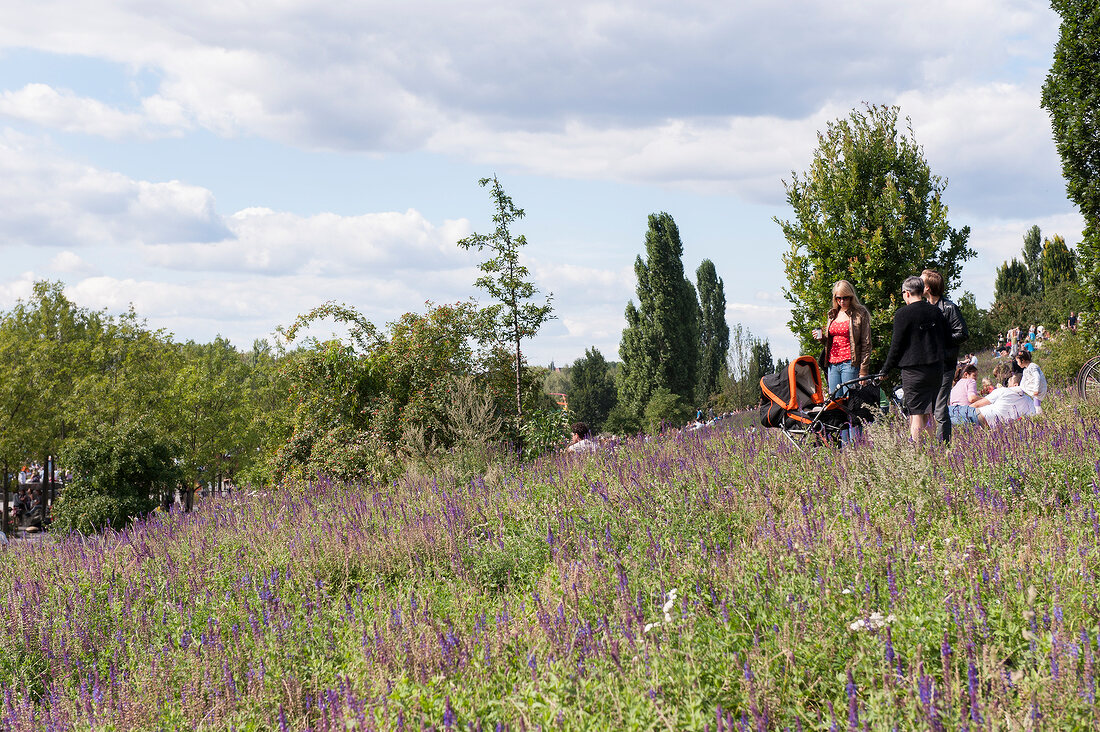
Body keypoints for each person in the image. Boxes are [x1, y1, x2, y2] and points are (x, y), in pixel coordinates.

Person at [881, 276, 950, 442]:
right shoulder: (936, 311)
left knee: (916, 414)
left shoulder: (902, 314)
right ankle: (932, 451)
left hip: (914, 370)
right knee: (928, 413)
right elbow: (947, 338)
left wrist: (885, 369)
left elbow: (896, 346)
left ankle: (918, 453)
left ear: (906, 293)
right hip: (935, 369)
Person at [922, 270, 968, 445]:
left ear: (927, 287)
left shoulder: (949, 307)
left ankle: (944, 447)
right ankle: (926, 445)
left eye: (921, 281)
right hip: (926, 366)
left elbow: (963, 333)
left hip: (944, 366)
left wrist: (941, 339)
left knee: (940, 409)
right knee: (924, 408)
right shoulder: (923, 308)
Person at [813, 280, 873, 395]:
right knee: (834, 402)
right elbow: (830, 341)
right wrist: (821, 338)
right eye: (838, 298)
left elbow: (866, 343)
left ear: (851, 297)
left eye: (845, 298)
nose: (842, 301)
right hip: (832, 364)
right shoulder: (833, 314)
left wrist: (863, 371)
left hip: (850, 363)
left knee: (849, 402)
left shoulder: (860, 313)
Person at [972, 374, 1038, 427]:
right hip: (996, 427)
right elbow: (1032, 417)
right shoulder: (1029, 400)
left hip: (981, 415)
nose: (1009, 379)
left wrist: (964, 410)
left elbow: (977, 404)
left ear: (1015, 385)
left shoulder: (1003, 390)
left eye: (1011, 379)